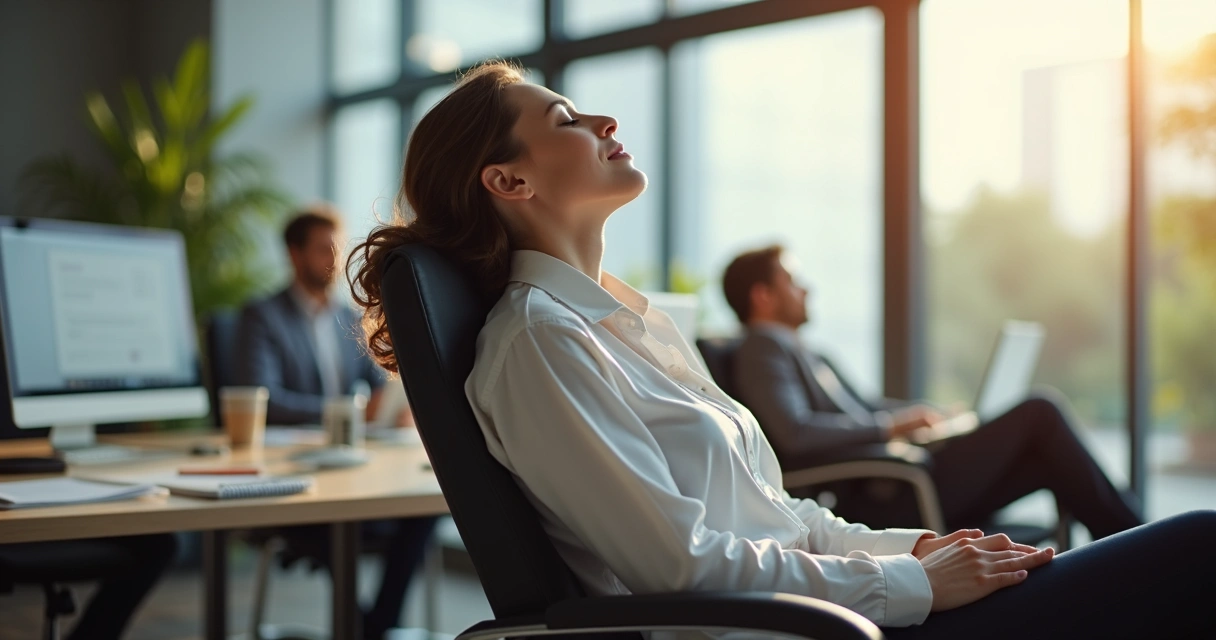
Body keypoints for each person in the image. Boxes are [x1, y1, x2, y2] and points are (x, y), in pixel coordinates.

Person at [345, 61, 1216, 639]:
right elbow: (680, 567)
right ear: (509, 181)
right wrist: (916, 589)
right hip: (798, 632)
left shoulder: (626, 329)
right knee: (1196, 548)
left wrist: (913, 552)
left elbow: (786, 518)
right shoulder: (540, 345)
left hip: (831, 611)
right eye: (568, 117)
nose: (604, 118)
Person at [721, 245, 1144, 538]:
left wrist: (923, 414)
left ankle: (1133, 549)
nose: (806, 288)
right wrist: (891, 427)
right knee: (1040, 411)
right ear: (762, 295)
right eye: (793, 281)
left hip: (906, 477)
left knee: (1043, 461)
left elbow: (865, 406)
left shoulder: (805, 352)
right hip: (888, 493)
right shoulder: (761, 349)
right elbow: (794, 433)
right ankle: (1144, 541)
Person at [236, 207, 435, 640]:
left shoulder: (349, 318)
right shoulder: (262, 316)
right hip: (295, 477)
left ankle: (377, 624)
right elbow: (263, 400)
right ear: (293, 254)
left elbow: (371, 386)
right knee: (333, 520)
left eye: (336, 248)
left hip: (355, 466)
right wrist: (345, 412)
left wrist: (390, 407)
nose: (333, 259)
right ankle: (370, 628)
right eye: (322, 249)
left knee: (423, 510)